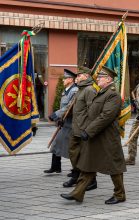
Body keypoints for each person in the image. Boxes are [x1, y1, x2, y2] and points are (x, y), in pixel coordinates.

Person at [60, 66, 126, 204]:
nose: (98, 79)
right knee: (88, 163)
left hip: (107, 136)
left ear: (108, 79)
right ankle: (77, 193)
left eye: (101, 77)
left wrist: (88, 131)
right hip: (96, 135)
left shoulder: (112, 94)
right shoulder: (102, 91)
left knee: (114, 166)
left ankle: (120, 194)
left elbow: (105, 117)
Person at [62, 66, 98, 190]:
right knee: (74, 154)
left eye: (79, 75)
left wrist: (89, 129)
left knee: (85, 157)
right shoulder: (80, 90)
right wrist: (62, 118)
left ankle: (92, 180)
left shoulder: (89, 90)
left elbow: (93, 112)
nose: (76, 78)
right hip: (75, 128)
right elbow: (73, 108)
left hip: (84, 129)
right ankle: (76, 175)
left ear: (86, 77)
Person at [44, 69, 78, 174]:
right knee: (56, 144)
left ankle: (76, 170)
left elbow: (69, 107)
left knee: (72, 148)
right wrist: (59, 119)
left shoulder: (74, 91)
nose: (63, 80)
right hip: (64, 122)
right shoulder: (66, 90)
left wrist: (56, 115)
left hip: (71, 124)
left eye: (65, 78)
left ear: (71, 79)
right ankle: (56, 167)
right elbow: (63, 107)